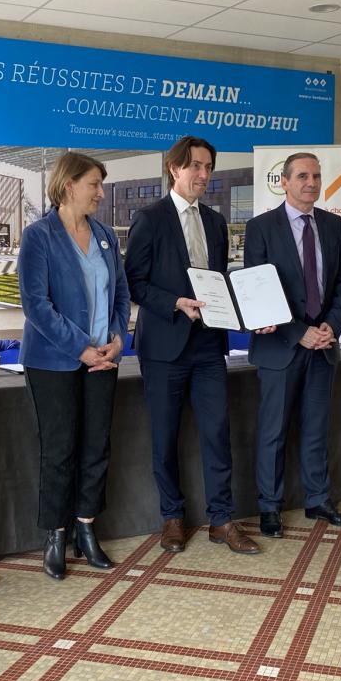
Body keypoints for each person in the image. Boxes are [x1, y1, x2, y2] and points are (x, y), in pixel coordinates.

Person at [124, 136, 259, 555]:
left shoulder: (217, 223)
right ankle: (172, 517)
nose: (203, 175)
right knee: (164, 436)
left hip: (207, 345)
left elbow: (217, 282)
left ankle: (221, 519)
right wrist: (174, 304)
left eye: (208, 168)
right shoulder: (150, 218)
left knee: (217, 432)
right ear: (174, 169)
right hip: (164, 345)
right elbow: (134, 282)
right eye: (195, 166)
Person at [18, 153, 130, 580]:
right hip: (54, 362)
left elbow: (121, 295)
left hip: (105, 360)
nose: (101, 193)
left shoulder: (104, 236)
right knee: (60, 449)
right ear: (68, 185)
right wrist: (82, 349)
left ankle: (86, 528)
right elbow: (37, 307)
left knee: (96, 446)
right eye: (94, 185)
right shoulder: (39, 236)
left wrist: (118, 340)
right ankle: (56, 535)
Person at [245, 152, 341, 538]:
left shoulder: (331, 224)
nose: (311, 182)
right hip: (282, 347)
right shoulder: (261, 227)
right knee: (273, 431)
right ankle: (270, 508)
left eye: (316, 176)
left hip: (323, 345)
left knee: (316, 428)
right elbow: (258, 288)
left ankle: (318, 500)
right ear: (285, 182)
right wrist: (298, 331)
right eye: (303, 176)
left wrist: (331, 325)